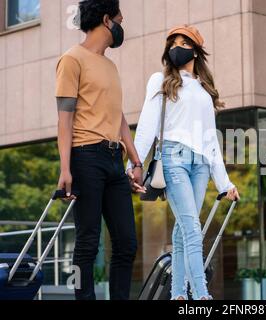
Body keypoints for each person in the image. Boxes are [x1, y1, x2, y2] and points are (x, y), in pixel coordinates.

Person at [127, 25, 240, 300]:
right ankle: (202, 296)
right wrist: (133, 165)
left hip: (201, 164)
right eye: (173, 42)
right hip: (173, 159)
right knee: (192, 228)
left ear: (195, 50)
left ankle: (178, 295)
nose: (177, 46)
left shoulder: (203, 90)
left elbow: (211, 141)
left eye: (184, 42)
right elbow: (147, 126)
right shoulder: (160, 81)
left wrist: (225, 183)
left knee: (181, 233)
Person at [55, 0, 145, 300]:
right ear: (107, 20)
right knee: (87, 243)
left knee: (126, 242)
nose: (122, 24)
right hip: (85, 157)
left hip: (112, 159)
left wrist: (135, 159)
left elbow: (118, 116)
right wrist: (65, 169)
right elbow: (64, 118)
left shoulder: (109, 65)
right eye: (120, 18)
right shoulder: (72, 59)